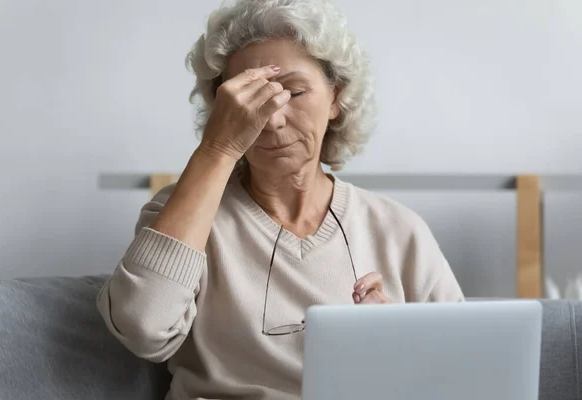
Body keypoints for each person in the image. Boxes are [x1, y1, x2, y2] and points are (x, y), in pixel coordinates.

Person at [97, 0, 464, 398]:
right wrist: (217, 149)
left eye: (294, 91)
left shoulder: (399, 231)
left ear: (335, 97)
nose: (271, 119)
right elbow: (141, 327)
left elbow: (467, 374)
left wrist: (397, 345)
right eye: (252, 98)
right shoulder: (184, 213)